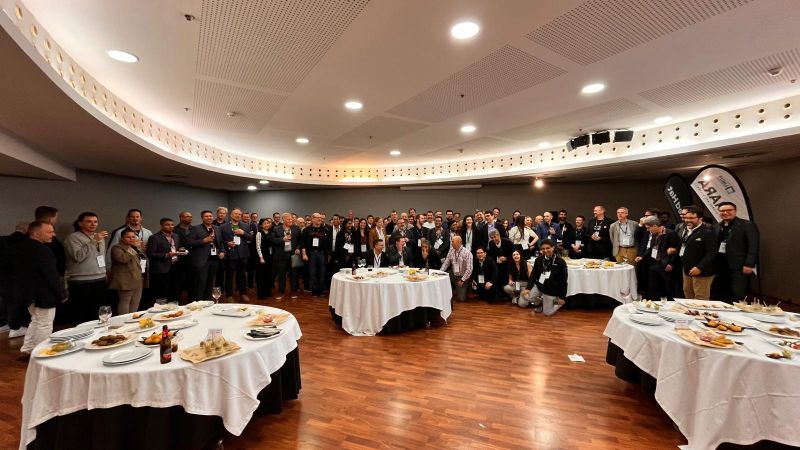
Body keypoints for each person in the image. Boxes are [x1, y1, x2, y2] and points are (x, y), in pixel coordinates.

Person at [11, 222, 66, 356]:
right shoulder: (43, 250)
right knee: (44, 324)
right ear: (36, 233)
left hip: (26, 293)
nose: (53, 234)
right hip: (43, 293)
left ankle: (28, 349)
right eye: (49, 232)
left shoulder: (17, 248)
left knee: (35, 320)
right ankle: (40, 353)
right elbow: (51, 274)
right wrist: (61, 292)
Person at [64, 212, 109, 325]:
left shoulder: (99, 237)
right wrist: (93, 241)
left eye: (95, 222)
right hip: (81, 280)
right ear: (80, 223)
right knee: (82, 314)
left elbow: (100, 256)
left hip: (100, 278)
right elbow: (78, 256)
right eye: (89, 221)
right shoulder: (73, 237)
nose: (93, 224)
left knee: (98, 312)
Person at [711, 202, 759, 301]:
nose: (725, 212)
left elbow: (753, 246)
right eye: (722, 211)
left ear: (735, 211)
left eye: (729, 210)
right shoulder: (716, 226)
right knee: (720, 292)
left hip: (738, 265)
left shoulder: (747, 225)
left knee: (737, 293)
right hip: (720, 265)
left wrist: (749, 264)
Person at [635, 216, 679, 301]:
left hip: (667, 265)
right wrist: (642, 256)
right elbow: (651, 248)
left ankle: (671, 304)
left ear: (655, 226)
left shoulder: (671, 233)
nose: (648, 230)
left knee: (669, 287)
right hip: (655, 263)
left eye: (648, 228)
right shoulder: (654, 234)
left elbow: (676, 250)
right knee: (653, 286)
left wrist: (671, 263)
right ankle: (654, 303)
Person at [520, 240, 567, 315]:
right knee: (525, 297)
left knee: (547, 313)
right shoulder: (538, 260)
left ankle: (557, 303)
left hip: (551, 290)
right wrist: (528, 288)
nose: (545, 250)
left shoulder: (560, 262)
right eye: (543, 248)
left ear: (553, 248)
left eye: (548, 248)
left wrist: (562, 297)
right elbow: (533, 275)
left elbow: (563, 281)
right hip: (540, 286)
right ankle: (541, 302)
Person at [186, 210, 225, 301]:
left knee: (210, 283)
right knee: (200, 283)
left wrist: (222, 251)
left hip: (214, 259)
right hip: (201, 260)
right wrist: (203, 241)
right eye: (206, 216)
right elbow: (189, 243)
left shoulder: (217, 228)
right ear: (202, 218)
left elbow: (221, 242)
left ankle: (208, 302)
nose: (209, 218)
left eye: (210, 216)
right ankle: (199, 303)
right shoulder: (195, 228)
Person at [679, 205, 717, 300]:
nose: (688, 220)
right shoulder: (687, 230)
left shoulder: (708, 232)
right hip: (687, 269)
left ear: (700, 218)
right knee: (688, 293)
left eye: (691, 218)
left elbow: (711, 252)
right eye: (686, 218)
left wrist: (699, 267)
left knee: (700, 297)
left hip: (702, 271)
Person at [146, 218, 184, 303]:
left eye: (172, 225)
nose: (170, 226)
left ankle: (174, 307)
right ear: (161, 226)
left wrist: (181, 251)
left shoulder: (176, 236)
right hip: (161, 269)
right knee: (162, 292)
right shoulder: (154, 237)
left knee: (175, 290)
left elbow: (177, 248)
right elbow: (150, 253)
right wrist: (166, 255)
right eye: (167, 225)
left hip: (175, 266)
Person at [109, 229, 145, 314]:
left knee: (136, 301)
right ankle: (124, 320)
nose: (131, 239)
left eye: (133, 237)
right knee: (125, 301)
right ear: (122, 238)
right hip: (125, 280)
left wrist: (137, 249)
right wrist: (133, 249)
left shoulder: (133, 248)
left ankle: (132, 319)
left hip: (137, 278)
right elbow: (123, 259)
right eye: (128, 237)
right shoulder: (116, 248)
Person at [220, 208, 252, 302]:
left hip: (243, 254)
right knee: (229, 275)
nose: (237, 215)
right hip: (231, 254)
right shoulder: (223, 227)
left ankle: (243, 293)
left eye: (239, 214)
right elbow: (220, 241)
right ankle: (229, 295)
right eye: (236, 214)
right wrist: (227, 243)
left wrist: (243, 233)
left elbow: (250, 238)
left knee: (242, 275)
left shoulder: (245, 225)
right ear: (231, 215)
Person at [271, 213, 302, 299]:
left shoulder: (296, 228)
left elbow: (300, 241)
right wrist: (282, 239)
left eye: (291, 219)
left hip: (293, 255)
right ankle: (281, 291)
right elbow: (272, 240)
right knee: (281, 274)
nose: (291, 220)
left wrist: (298, 248)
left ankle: (294, 291)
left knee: (294, 274)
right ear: (283, 220)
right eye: (288, 219)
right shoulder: (276, 229)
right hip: (281, 255)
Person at [301, 213, 331, 297]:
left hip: (322, 253)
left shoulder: (325, 230)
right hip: (311, 253)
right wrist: (304, 254)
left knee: (322, 272)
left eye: (320, 218)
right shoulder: (306, 230)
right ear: (312, 218)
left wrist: (328, 255)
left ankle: (321, 290)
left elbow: (328, 244)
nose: (319, 219)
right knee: (312, 272)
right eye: (317, 218)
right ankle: (314, 290)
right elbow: (302, 243)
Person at [35, 206, 66, 277]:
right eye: (56, 218)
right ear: (50, 219)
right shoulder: (47, 239)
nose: (56, 221)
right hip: (48, 275)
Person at [440, 236, 473, 302]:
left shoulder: (467, 253)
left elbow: (469, 269)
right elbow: (446, 263)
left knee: (461, 299)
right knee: (442, 277)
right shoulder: (451, 250)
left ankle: (462, 288)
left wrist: (462, 280)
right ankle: (452, 290)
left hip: (462, 277)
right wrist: (440, 272)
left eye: (452, 241)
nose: (451, 243)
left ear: (458, 242)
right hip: (453, 274)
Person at [486, 229, 514, 297]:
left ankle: (506, 293)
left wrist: (506, 258)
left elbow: (515, 253)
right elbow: (490, 255)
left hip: (507, 264)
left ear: (499, 235)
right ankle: (499, 292)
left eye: (495, 237)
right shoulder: (491, 243)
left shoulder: (508, 242)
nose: (493, 239)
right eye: (492, 238)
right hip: (496, 264)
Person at [255, 218, 274, 299]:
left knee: (268, 275)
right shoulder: (259, 233)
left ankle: (267, 292)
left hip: (269, 256)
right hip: (262, 257)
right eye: (264, 223)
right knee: (261, 276)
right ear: (261, 225)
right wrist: (261, 257)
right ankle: (261, 294)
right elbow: (258, 246)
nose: (266, 225)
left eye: (268, 223)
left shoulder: (270, 233)